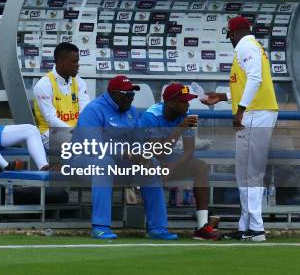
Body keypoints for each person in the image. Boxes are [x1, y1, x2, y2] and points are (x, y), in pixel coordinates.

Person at [202, 16, 278, 242]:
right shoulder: (252, 46)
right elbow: (249, 83)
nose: (231, 40)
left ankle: (256, 229)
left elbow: (254, 79)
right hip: (257, 111)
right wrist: (225, 97)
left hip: (255, 113)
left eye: (230, 35)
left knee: (249, 172)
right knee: (245, 171)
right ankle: (247, 227)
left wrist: (240, 110)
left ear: (235, 33)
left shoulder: (246, 45)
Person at [76, 76, 177, 240]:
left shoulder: (132, 111)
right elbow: (91, 146)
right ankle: (100, 226)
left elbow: (138, 140)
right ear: (113, 93)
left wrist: (143, 154)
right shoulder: (94, 110)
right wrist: (125, 152)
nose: (131, 97)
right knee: (104, 163)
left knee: (151, 165)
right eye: (127, 94)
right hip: (83, 161)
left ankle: (158, 228)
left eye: (133, 94)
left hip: (119, 163)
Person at [140, 83, 221, 241]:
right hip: (145, 160)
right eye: (183, 101)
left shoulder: (187, 112)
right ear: (170, 102)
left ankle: (202, 227)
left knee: (201, 167)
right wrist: (179, 128)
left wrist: (172, 166)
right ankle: (156, 227)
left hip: (168, 160)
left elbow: (189, 150)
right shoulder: (150, 116)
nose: (188, 104)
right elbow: (157, 151)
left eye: (188, 100)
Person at [33, 42, 90, 147]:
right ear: (61, 61)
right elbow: (51, 120)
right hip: (50, 133)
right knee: (83, 146)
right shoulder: (43, 85)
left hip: (75, 132)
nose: (78, 65)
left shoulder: (80, 82)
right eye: (74, 62)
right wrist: (75, 133)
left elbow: (85, 111)